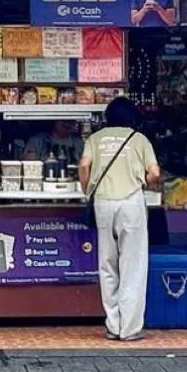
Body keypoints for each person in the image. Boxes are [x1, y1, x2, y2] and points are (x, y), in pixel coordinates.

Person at [79, 96, 161, 342]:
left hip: (103, 202)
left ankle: (113, 325)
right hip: (131, 202)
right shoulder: (139, 139)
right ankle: (130, 328)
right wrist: (144, 183)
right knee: (133, 265)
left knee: (107, 264)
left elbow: (83, 166)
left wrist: (87, 190)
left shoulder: (95, 138)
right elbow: (155, 172)